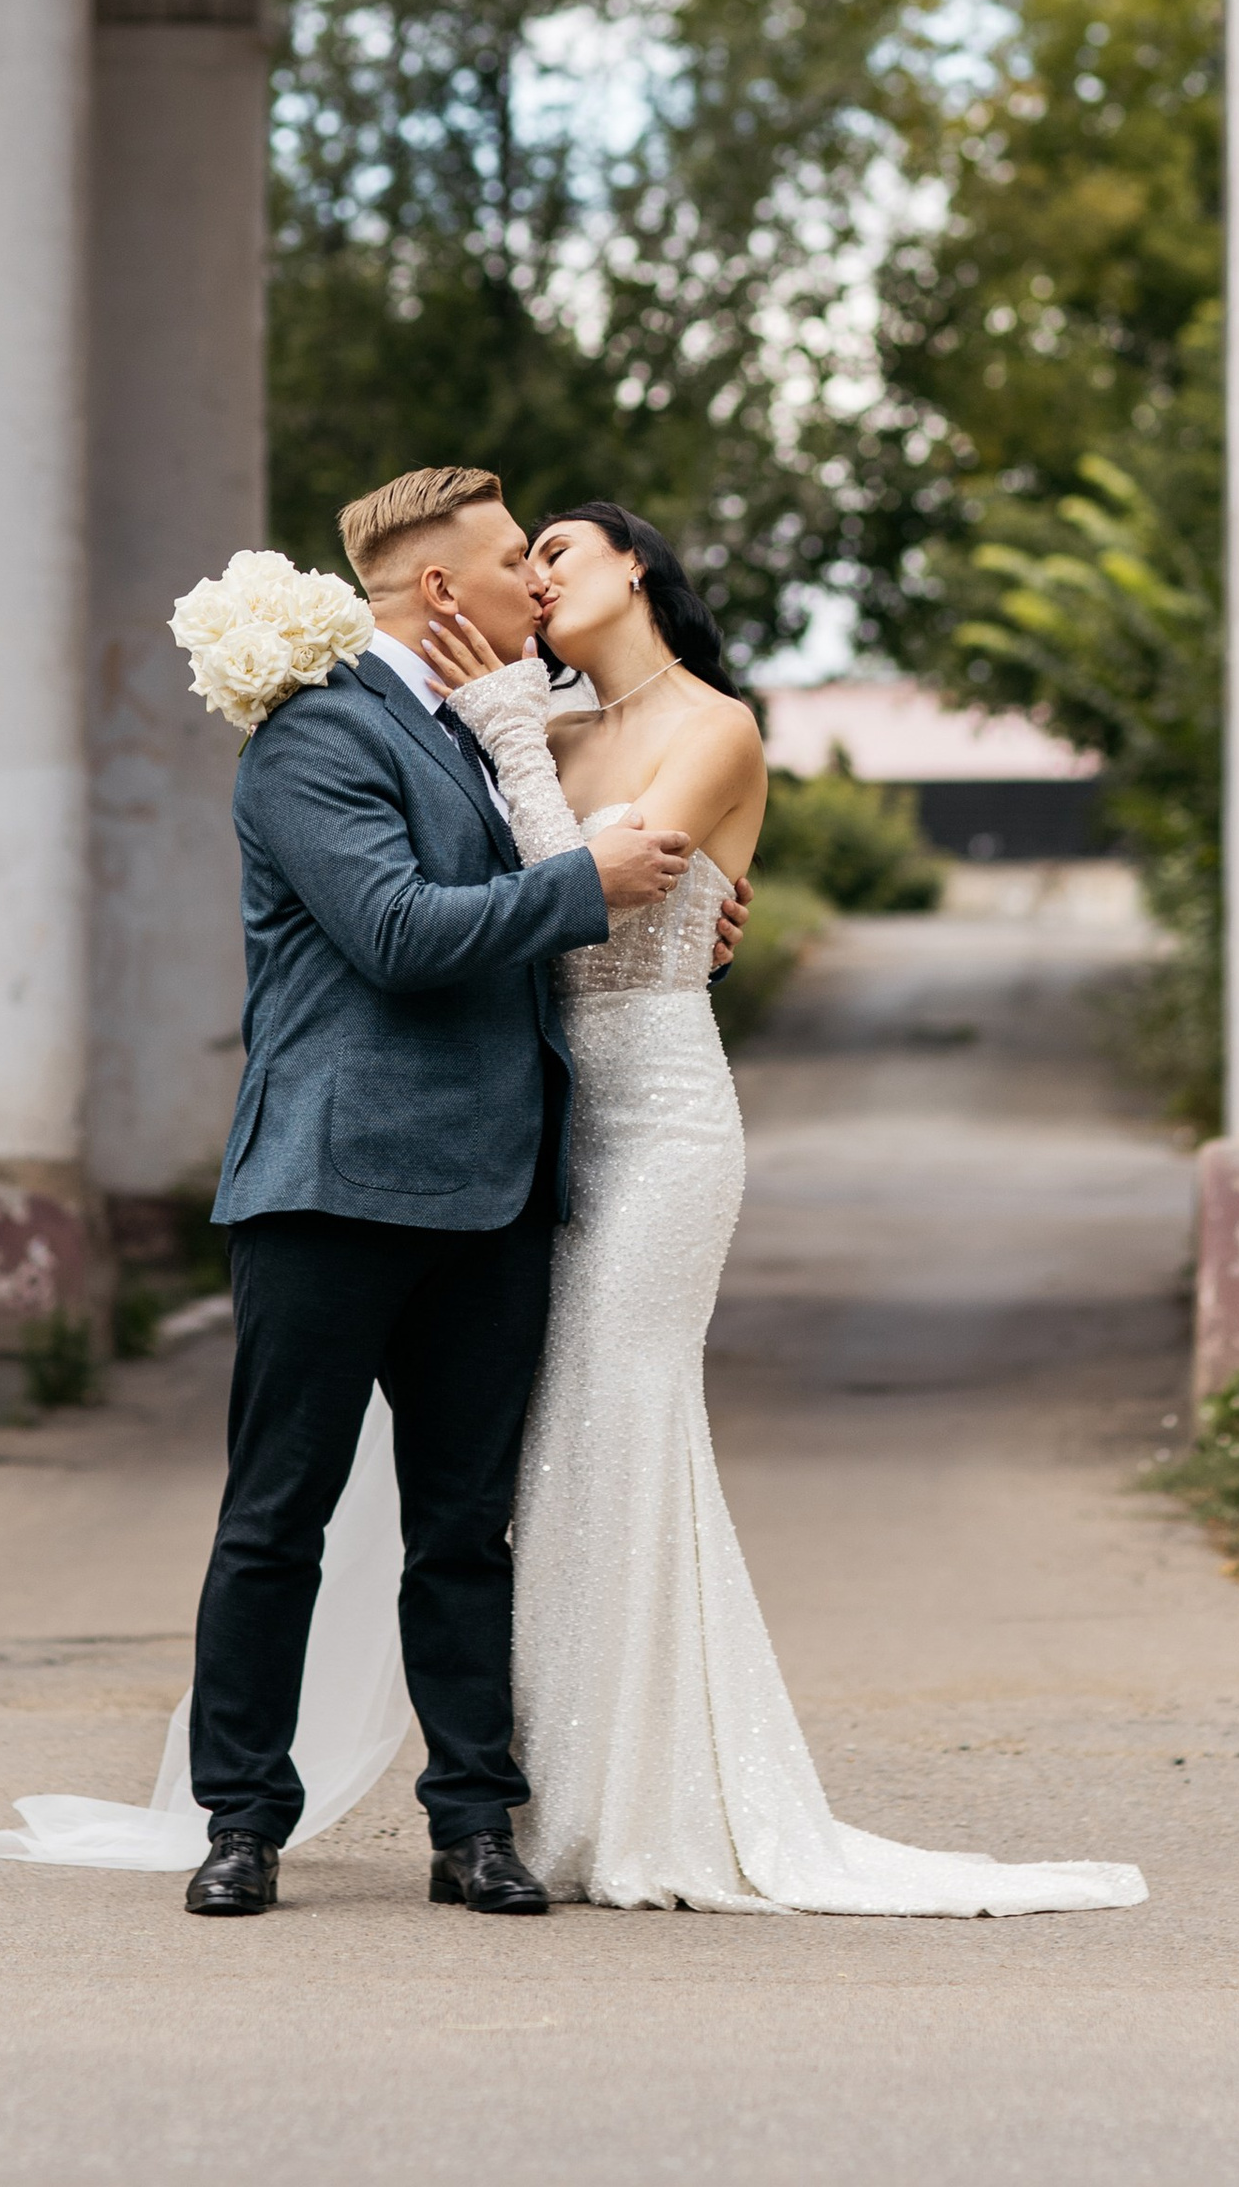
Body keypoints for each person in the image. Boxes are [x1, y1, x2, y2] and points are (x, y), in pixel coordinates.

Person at [420, 501, 1145, 1920]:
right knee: (558, 1432)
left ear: (633, 567)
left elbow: (608, 909)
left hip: (667, 1119)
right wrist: (510, 733)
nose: (538, 574)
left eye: (558, 550)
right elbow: (490, 895)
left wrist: (504, 734)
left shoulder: (718, 727)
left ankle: (645, 1800)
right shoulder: (544, 731)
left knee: (625, 1406)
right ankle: (567, 1790)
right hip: (546, 1114)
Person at [172, 465, 743, 1920]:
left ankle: (473, 1822)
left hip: (498, 1190)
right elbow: (394, 931)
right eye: (510, 563)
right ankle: (242, 1820)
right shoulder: (313, 738)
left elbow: (589, 869)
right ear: (444, 592)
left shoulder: (506, 735)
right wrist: (595, 882)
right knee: (275, 1517)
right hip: (332, 1181)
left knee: (464, 1526)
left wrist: (682, 908)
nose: (532, 588)